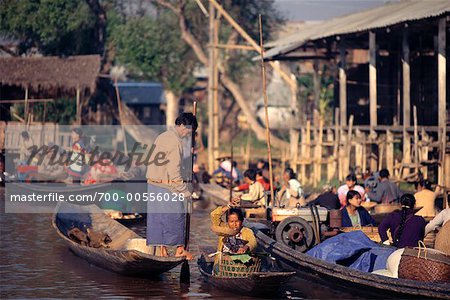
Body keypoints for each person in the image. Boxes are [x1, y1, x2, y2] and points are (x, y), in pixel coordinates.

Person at [146, 112, 197, 260]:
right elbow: (174, 172)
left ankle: (162, 250)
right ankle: (180, 249)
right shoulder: (175, 141)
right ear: (181, 125)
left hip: (153, 183)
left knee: (159, 218)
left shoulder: (163, 136)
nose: (188, 134)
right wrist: (185, 193)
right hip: (166, 185)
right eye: (189, 130)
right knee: (177, 214)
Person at [210, 204, 257, 269]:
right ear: (227, 222)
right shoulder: (224, 228)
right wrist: (228, 206)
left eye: (237, 221)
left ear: (242, 221)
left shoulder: (247, 231)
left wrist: (246, 247)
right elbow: (214, 215)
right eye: (231, 221)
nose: (234, 224)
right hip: (223, 263)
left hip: (240, 265)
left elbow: (253, 241)